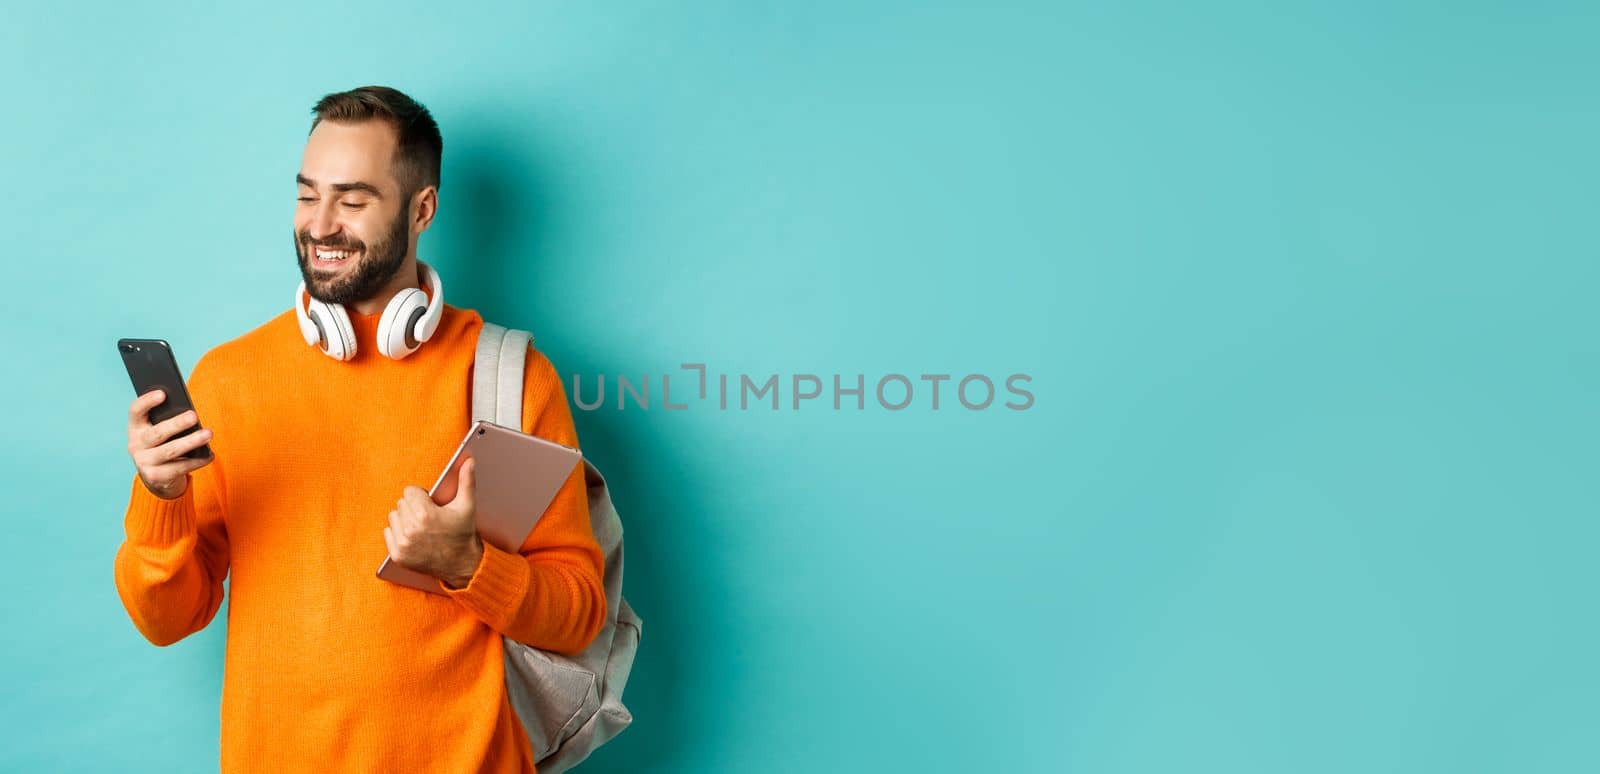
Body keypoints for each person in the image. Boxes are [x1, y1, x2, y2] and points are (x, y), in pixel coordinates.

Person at [114, 86, 606, 773]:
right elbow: (165, 620)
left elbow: (580, 614)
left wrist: (469, 566)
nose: (319, 224)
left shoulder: (510, 377)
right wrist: (161, 495)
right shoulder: (231, 378)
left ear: (422, 209)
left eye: (352, 200)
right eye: (306, 194)